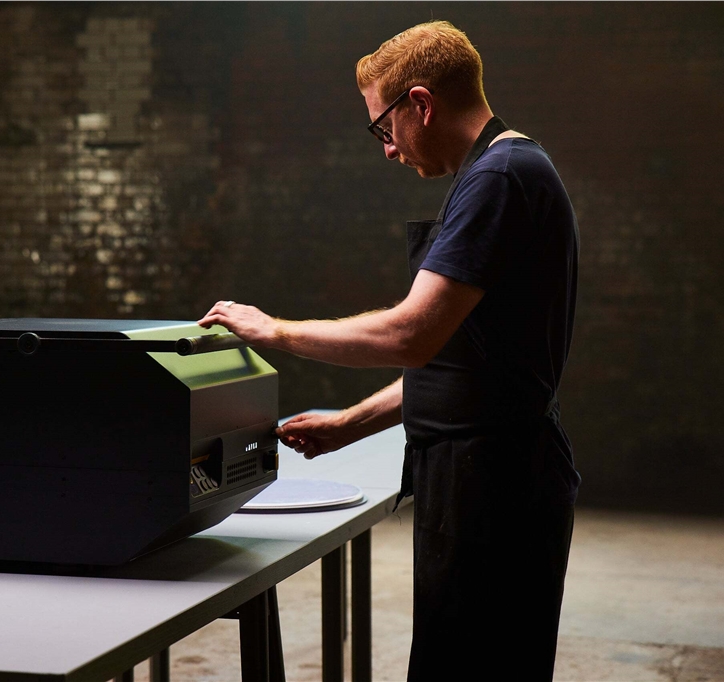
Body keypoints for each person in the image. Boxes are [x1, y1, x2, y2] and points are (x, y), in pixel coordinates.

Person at [199, 20, 580, 681]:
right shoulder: (502, 170)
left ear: (421, 104)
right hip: (491, 474)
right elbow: (466, 362)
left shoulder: (499, 177)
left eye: (383, 126)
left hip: (494, 486)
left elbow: (411, 335)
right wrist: (350, 424)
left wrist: (274, 330)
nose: (388, 149)